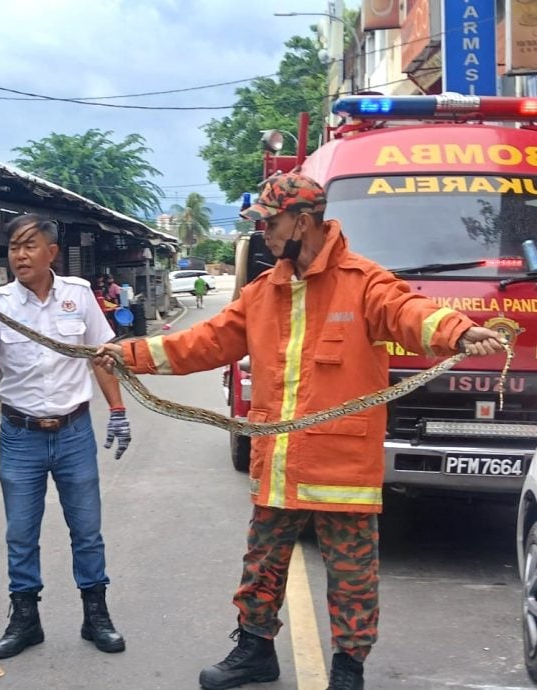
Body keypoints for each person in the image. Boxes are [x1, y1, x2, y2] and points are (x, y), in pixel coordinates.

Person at [94, 172, 506, 690]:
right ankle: (255, 651)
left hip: (342, 468)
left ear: (302, 222)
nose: (263, 233)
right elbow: (204, 341)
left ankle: (349, 670)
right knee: (262, 562)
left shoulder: (364, 282)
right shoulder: (264, 292)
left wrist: (458, 330)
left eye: (269, 222)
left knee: (351, 574)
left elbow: (410, 313)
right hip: (279, 460)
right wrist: (129, 354)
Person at [0, 213, 132, 661]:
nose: (20, 254)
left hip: (73, 433)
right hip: (20, 434)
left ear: (51, 251)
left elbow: (100, 357)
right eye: (14, 246)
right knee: (21, 533)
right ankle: (25, 620)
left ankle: (96, 616)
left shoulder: (78, 295)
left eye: (30, 245)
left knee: (87, 531)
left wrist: (118, 411)